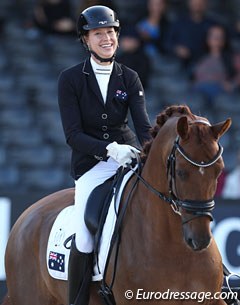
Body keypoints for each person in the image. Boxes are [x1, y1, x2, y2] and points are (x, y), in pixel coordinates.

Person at [58, 5, 152, 305]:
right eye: (98, 33)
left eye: (111, 31)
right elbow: (72, 135)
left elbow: (144, 127)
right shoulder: (70, 79)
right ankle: (78, 300)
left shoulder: (130, 76)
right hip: (91, 166)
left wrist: (148, 153)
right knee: (85, 236)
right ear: (86, 39)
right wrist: (109, 149)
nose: (107, 38)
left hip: (128, 160)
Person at [166, 0, 217, 69]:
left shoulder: (211, 24)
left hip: (203, 64)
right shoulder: (179, 22)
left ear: (206, 4)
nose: (197, 5)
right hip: (179, 64)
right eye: (195, 2)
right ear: (189, 3)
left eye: (200, 3)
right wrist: (177, 49)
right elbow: (167, 43)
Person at [191, 24, 234, 102]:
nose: (216, 39)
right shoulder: (199, 56)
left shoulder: (230, 58)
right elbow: (191, 75)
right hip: (198, 92)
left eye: (220, 36)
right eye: (213, 36)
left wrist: (232, 84)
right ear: (207, 38)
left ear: (224, 40)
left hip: (219, 92)